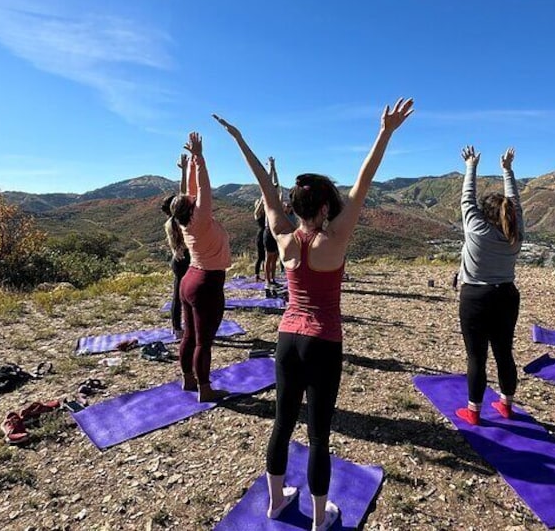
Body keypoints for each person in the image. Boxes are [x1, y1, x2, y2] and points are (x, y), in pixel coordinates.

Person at [214, 97, 414, 531]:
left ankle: (275, 502)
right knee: (319, 435)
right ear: (324, 208)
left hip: (287, 338)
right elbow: (365, 178)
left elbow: (265, 189)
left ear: (295, 207)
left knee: (281, 425)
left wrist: (240, 141)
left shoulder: (282, 236)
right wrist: (385, 132)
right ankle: (321, 520)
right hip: (324, 342)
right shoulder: (336, 239)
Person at [456, 145, 523, 425]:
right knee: (504, 351)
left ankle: (474, 411)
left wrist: (471, 166)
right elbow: (514, 202)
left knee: (476, 356)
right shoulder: (516, 231)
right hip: (507, 295)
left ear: (484, 214)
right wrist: (507, 169)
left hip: (476, 297)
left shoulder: (476, 228)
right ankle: (506, 405)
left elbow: (466, 197)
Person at [172, 132, 231, 403]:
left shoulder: (185, 220)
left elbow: (189, 193)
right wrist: (200, 158)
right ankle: (205, 389)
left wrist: (189, 167)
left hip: (190, 280)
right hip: (207, 283)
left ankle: (188, 379)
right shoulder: (202, 218)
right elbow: (203, 190)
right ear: (192, 207)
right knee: (203, 341)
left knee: (190, 335)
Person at [161, 153, 191, 340]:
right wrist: (184, 172)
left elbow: (183, 193)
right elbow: (184, 193)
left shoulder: (171, 222)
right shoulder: (178, 221)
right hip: (183, 261)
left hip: (177, 261)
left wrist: (184, 171)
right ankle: (180, 327)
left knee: (178, 295)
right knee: (183, 296)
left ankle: (177, 327)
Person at [262, 157, 282, 289]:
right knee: (269, 258)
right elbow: (266, 182)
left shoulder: (278, 202)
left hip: (276, 231)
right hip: (268, 231)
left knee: (275, 258)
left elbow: (277, 184)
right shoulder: (267, 201)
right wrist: (270, 168)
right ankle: (267, 281)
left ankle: (273, 279)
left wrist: (274, 168)